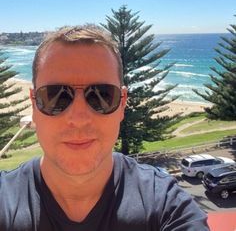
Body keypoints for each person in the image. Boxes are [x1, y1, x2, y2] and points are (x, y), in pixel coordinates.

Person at [0, 25, 210, 230]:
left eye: (102, 95)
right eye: (55, 96)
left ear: (122, 103)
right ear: (33, 103)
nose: (79, 119)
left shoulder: (165, 204)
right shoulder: (4, 200)